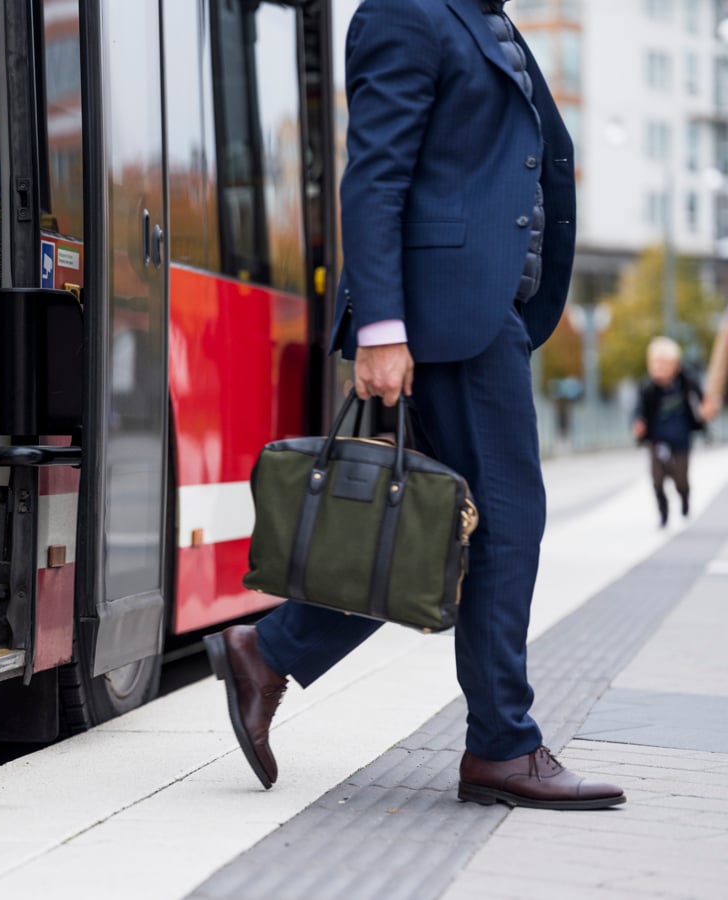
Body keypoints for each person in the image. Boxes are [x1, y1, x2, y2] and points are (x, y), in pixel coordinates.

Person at [204, 0, 626, 810]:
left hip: (476, 311)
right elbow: (375, 173)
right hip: (445, 317)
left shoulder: (483, 20)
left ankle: (270, 649)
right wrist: (384, 327)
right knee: (506, 524)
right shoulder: (407, 12)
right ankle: (503, 746)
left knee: (437, 532)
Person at [632, 336, 704, 527]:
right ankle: (663, 512)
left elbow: (702, 398)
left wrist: (704, 411)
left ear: (676, 366)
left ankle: (684, 496)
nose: (659, 369)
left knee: (680, 478)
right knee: (657, 479)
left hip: (681, 438)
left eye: (664, 365)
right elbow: (639, 410)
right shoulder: (648, 388)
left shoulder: (686, 382)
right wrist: (638, 423)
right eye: (655, 365)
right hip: (658, 439)